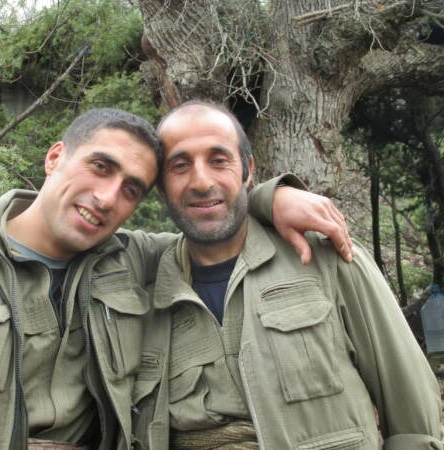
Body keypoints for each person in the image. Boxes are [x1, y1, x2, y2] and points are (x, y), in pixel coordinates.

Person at [0, 108, 352, 450]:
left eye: (131, 189)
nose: (108, 198)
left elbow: (212, 220)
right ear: (54, 157)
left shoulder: (134, 261)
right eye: (100, 167)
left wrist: (271, 198)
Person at [131, 101, 443, 450]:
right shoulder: (144, 288)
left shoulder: (329, 257)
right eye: (179, 166)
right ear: (160, 186)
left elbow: (412, 410)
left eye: (219, 160)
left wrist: (270, 196)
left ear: (248, 170)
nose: (202, 182)